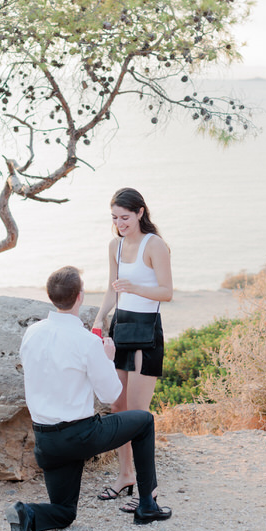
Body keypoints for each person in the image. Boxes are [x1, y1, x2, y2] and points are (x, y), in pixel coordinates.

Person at [6, 265, 171, 531]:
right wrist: (108, 357)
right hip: (80, 437)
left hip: (45, 442)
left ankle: (27, 513)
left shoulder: (31, 334)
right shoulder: (87, 342)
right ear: (80, 297)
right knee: (143, 421)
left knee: (64, 512)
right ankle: (147, 506)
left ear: (51, 297)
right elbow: (111, 396)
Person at [91, 188, 173, 513]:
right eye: (114, 218)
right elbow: (112, 290)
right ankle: (125, 475)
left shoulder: (156, 245)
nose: (119, 224)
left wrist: (134, 287)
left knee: (138, 414)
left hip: (147, 329)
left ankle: (147, 491)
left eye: (125, 217)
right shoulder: (115, 245)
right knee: (118, 408)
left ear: (140, 212)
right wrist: (99, 320)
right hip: (121, 326)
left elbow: (166, 292)